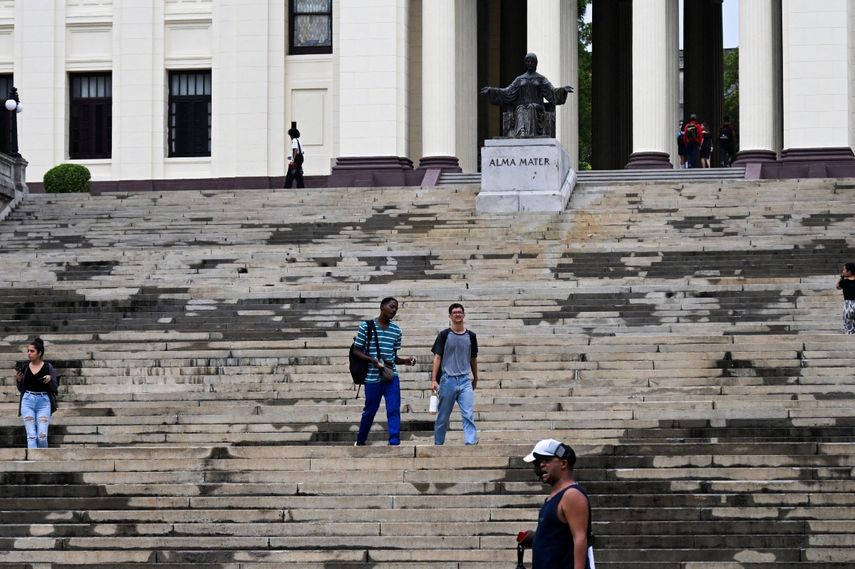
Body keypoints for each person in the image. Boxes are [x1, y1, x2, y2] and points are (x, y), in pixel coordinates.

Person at [517, 439, 595, 569]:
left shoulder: (571, 495)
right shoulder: (553, 497)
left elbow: (580, 539)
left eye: (546, 460)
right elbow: (558, 536)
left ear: (563, 463)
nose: (540, 466)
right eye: (537, 463)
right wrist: (536, 538)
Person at [351, 297, 417, 446]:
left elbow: (393, 357)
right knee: (370, 411)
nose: (394, 310)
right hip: (372, 378)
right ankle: (361, 440)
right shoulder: (366, 326)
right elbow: (356, 350)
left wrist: (406, 360)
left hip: (390, 376)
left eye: (396, 308)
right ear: (382, 307)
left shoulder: (396, 331)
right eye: (391, 306)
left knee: (393, 409)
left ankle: (394, 442)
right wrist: (371, 360)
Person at [480, 52, 574, 138]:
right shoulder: (519, 79)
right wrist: (491, 91)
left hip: (537, 108)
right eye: (528, 61)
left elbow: (552, 91)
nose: (530, 63)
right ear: (525, 63)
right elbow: (507, 91)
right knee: (520, 108)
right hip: (522, 106)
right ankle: (521, 131)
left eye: (532, 61)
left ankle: (530, 133)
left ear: (536, 63)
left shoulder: (541, 79)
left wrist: (563, 90)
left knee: (531, 107)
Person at [431, 303, 479, 445]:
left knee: (468, 414)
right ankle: (438, 444)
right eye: (454, 313)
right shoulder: (444, 335)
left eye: (460, 312)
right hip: (448, 380)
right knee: (443, 417)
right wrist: (433, 379)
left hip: (465, 380)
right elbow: (437, 357)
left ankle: (470, 442)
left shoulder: (471, 336)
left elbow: (473, 358)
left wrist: (475, 377)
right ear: (450, 316)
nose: (457, 314)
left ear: (464, 315)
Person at [15, 338, 59, 449]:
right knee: (31, 436)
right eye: (28, 351)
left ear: (39, 353)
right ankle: (32, 462)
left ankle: (42, 459)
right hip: (27, 401)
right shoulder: (25, 368)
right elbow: (21, 389)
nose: (29, 353)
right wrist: (19, 380)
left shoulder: (48, 367)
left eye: (32, 351)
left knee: (42, 436)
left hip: (43, 401)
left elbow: (55, 387)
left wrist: (50, 379)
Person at [836, 262, 855, 334]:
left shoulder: (844, 282)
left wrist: (842, 277)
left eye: (844, 270)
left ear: (849, 271)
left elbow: (837, 286)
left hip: (848, 305)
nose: (843, 271)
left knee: (848, 326)